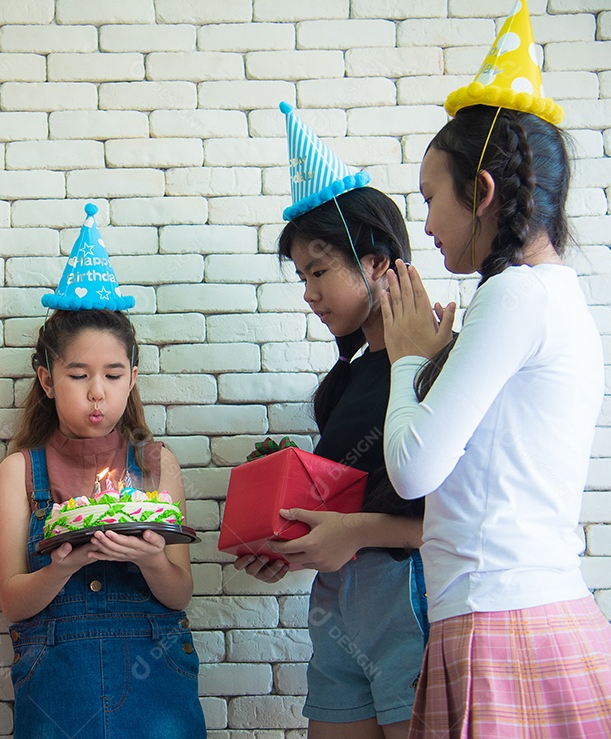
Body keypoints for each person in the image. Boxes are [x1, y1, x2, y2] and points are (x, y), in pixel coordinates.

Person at [380, 3, 611, 735]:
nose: (425, 225)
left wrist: (406, 358)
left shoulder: (514, 294)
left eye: (431, 199)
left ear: (481, 192)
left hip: (504, 628)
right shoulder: (555, 295)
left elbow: (413, 469)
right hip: (529, 616)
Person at [237, 104, 427, 739]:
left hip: (407, 594)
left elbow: (464, 517)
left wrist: (351, 533)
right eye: (302, 276)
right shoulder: (340, 385)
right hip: (336, 603)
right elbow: (342, 507)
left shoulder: (434, 364)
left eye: (319, 271)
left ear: (375, 263)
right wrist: (287, 544)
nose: (309, 293)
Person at [0, 205, 206, 738]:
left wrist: (152, 560)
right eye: (78, 375)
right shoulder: (20, 471)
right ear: (47, 379)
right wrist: (63, 567)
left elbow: (180, 593)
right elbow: (13, 601)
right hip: (58, 682)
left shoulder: (157, 464)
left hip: (155, 676)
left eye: (112, 375)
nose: (97, 392)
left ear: (132, 378)